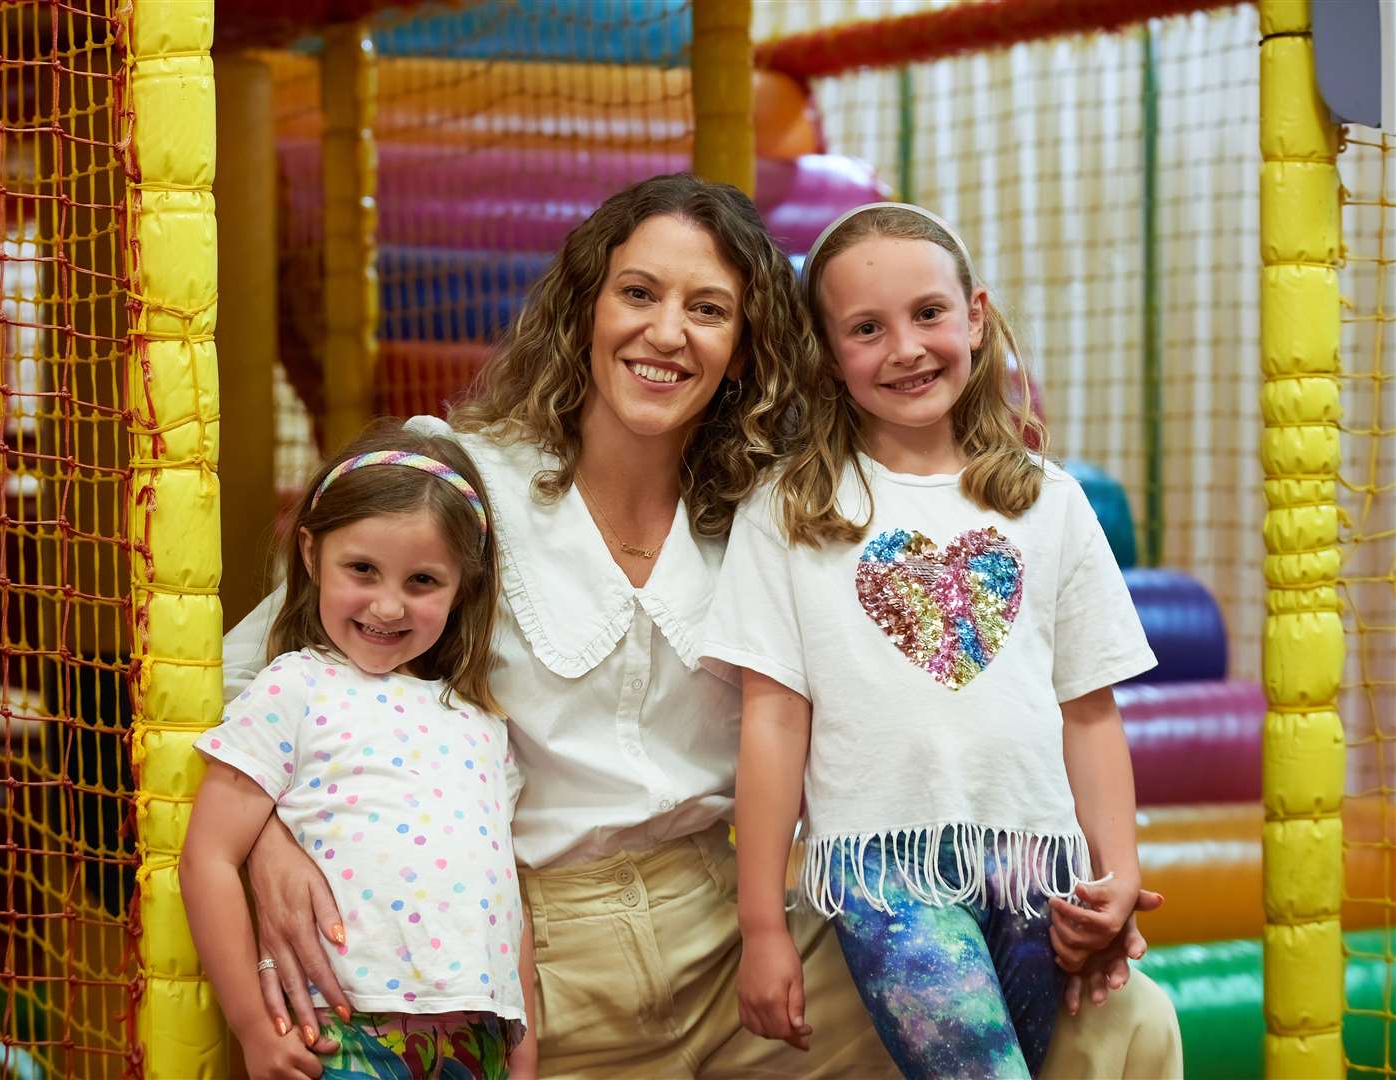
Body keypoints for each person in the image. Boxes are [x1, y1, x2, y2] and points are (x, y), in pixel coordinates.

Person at [227, 175, 1182, 1078]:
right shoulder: (460, 478)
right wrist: (266, 840)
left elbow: (972, 696)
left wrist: (1082, 876)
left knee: (1125, 1016)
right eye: (637, 293)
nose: (666, 334)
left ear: (747, 343)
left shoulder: (782, 512)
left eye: (708, 309)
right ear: (584, 309)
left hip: (729, 940)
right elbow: (245, 681)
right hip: (531, 958)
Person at [703, 202, 1162, 1079]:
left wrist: (1120, 876)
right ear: (829, 355)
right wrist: (762, 925)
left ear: (975, 316)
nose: (906, 348)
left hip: (1037, 869)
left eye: (928, 314)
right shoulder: (798, 511)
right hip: (884, 872)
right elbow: (771, 721)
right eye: (866, 328)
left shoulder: (1046, 501)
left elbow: (1089, 712)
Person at [180, 421, 537, 1079]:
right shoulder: (293, 686)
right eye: (362, 569)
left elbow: (503, 895)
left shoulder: (482, 726)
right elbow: (207, 857)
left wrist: (523, 1043)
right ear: (313, 556)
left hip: (475, 1036)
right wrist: (254, 1028)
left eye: (423, 581)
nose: (387, 605)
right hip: (342, 1031)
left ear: (464, 587)